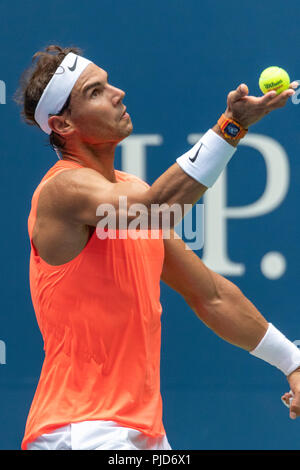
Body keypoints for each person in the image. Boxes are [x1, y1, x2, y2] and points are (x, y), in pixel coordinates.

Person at [15, 44, 300, 451]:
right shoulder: (62, 190)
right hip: (79, 429)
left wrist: (292, 361)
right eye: (95, 92)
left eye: (108, 83)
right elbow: (156, 210)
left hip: (141, 433)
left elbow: (211, 295)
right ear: (63, 124)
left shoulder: (131, 193)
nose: (118, 93)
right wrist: (231, 126)